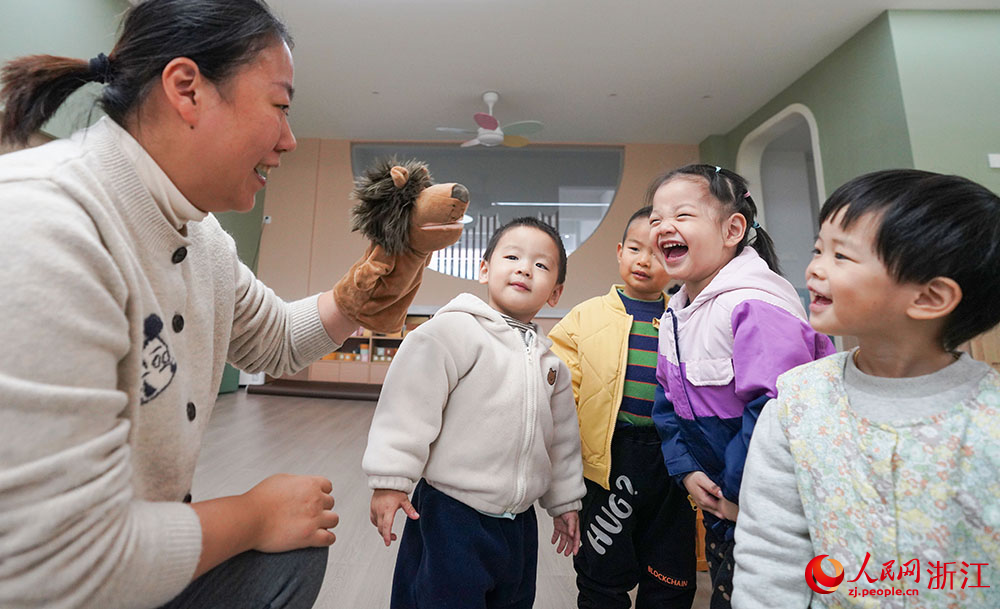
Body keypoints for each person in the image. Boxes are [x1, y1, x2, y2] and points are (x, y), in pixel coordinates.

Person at [0, 1, 447, 607]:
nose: (289, 140)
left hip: (118, 556)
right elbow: (58, 561)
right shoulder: (46, 224)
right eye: (280, 106)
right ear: (187, 90)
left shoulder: (202, 235)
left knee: (297, 549)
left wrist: (369, 283)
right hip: (54, 581)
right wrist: (253, 516)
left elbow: (276, 340)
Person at [732, 170, 1000, 608]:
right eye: (819, 249)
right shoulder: (797, 402)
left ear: (929, 298)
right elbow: (771, 552)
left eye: (841, 255)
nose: (814, 268)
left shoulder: (989, 421)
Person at [363, 217, 586, 609]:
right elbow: (408, 405)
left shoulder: (551, 365)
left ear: (556, 292)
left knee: (514, 600)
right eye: (512, 257)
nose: (524, 269)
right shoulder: (452, 333)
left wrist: (565, 501)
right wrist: (391, 479)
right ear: (484, 269)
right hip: (452, 512)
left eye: (540, 265)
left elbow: (562, 442)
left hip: (519, 522)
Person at [647, 164, 836, 609]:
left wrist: (739, 494)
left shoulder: (756, 303)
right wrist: (687, 470)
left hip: (771, 507)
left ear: (732, 229)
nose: (664, 227)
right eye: (656, 218)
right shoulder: (675, 311)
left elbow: (774, 411)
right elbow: (667, 400)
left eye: (682, 215)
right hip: (721, 505)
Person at [549, 206, 697, 608]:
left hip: (672, 459)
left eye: (659, 253)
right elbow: (559, 392)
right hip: (607, 463)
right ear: (619, 251)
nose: (644, 260)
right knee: (602, 571)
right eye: (635, 248)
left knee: (671, 574)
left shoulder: (686, 318)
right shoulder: (585, 317)